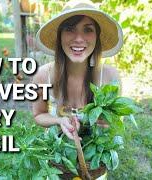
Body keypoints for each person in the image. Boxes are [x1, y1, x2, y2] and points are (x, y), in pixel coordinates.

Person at [32, 0, 123, 178]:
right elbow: (38, 115)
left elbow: (114, 124)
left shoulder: (110, 77)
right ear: (60, 36)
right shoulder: (44, 75)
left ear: (97, 37)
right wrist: (59, 121)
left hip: (92, 164)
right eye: (70, 28)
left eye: (88, 30)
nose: (79, 38)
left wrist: (103, 123)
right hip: (56, 160)